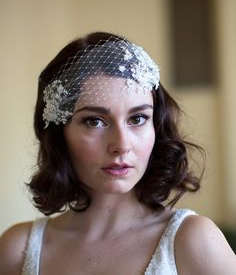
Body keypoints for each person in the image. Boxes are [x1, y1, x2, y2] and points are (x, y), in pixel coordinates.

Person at [0, 31, 235, 275]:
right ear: (59, 134)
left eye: (138, 118)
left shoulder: (193, 242)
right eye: (94, 121)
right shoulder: (17, 250)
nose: (121, 145)